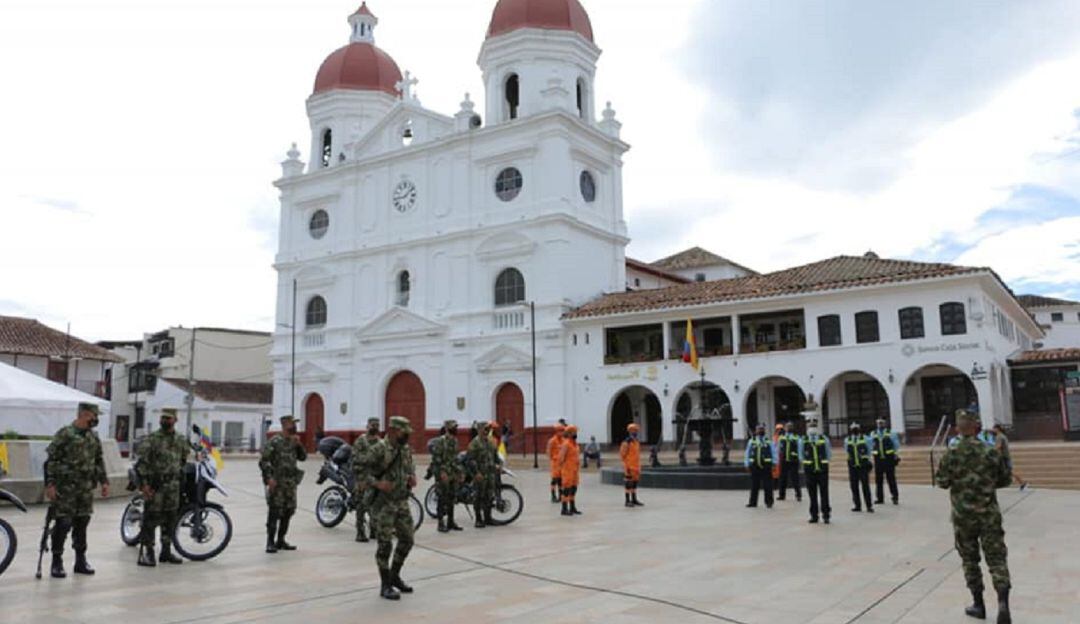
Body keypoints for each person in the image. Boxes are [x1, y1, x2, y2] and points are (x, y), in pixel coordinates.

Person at [936, 409, 1013, 623]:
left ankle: (978, 604)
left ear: (958, 428)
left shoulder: (951, 453)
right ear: (976, 427)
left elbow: (942, 482)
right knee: (997, 559)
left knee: (970, 560)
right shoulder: (990, 452)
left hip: (963, 517)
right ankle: (1003, 603)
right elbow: (1005, 480)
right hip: (989, 514)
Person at [44, 402, 110, 578]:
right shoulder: (65, 434)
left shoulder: (93, 437)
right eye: (94, 416)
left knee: (82, 523)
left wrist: (104, 481)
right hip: (65, 489)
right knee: (63, 523)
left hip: (85, 489)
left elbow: (98, 460)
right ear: (84, 414)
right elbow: (51, 460)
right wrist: (50, 484)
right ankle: (56, 561)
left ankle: (80, 560)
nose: (95, 420)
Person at [364, 416, 418, 601]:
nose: (408, 436)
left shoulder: (404, 449)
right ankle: (385, 585)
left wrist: (412, 477)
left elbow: (410, 467)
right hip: (383, 504)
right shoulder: (378, 449)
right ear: (394, 430)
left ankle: (394, 575)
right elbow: (361, 472)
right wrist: (378, 484)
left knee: (407, 539)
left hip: (401, 501)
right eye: (405, 432)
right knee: (385, 545)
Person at [135, 408, 190, 567]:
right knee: (151, 519)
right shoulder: (152, 439)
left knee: (170, 519)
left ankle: (166, 551)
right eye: (163, 418)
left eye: (169, 418)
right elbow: (141, 464)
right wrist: (144, 485)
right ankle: (149, 553)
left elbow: (183, 460)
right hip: (155, 486)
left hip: (173, 486)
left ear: (175, 420)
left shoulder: (180, 440)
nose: (165, 421)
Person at [259, 415, 306, 553]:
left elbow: (303, 458)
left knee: (288, 511)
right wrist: (269, 479)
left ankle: (281, 540)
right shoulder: (275, 441)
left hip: (290, 483)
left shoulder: (294, 441)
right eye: (293, 424)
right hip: (277, 483)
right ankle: (270, 542)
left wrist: (299, 445)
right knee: (274, 511)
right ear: (285, 425)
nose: (295, 426)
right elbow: (264, 461)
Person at [431, 419, 464, 533]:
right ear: (447, 428)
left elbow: (456, 458)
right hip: (443, 473)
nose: (456, 429)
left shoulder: (454, 441)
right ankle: (440, 522)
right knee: (442, 498)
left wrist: (460, 472)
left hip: (452, 473)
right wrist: (442, 473)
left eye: (456, 427)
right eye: (454, 427)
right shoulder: (440, 441)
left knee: (451, 497)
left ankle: (451, 521)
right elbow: (436, 459)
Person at [352, 417, 382, 542]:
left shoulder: (380, 442)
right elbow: (355, 458)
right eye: (372, 425)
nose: (374, 427)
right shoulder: (361, 441)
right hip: (362, 478)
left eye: (377, 425)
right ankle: (360, 532)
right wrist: (370, 459)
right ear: (367, 426)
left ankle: (374, 530)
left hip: (375, 478)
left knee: (374, 505)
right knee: (361, 505)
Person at [799, 420, 831, 524]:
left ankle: (826, 515)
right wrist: (807, 463)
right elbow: (801, 455)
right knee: (812, 494)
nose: (812, 428)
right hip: (810, 471)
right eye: (810, 426)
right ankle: (814, 515)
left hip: (822, 470)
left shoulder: (823, 439)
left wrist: (824, 463)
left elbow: (828, 453)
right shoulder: (803, 440)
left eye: (814, 426)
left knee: (824, 493)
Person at [467, 421, 498, 528]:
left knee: (489, 496)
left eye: (488, 429)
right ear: (479, 430)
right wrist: (476, 473)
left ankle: (488, 517)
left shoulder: (490, 442)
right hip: (480, 474)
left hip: (490, 474)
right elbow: (470, 460)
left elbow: (495, 455)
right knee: (478, 497)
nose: (487, 431)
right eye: (485, 429)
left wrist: (498, 465)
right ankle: (478, 519)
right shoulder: (474, 443)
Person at [744, 424, 776, 509]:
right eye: (759, 429)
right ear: (756, 431)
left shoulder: (769, 441)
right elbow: (747, 453)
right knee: (754, 485)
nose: (760, 431)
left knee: (768, 485)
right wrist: (747, 464)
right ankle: (753, 502)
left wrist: (775, 463)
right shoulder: (752, 441)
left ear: (764, 431)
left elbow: (774, 452)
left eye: (762, 429)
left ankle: (769, 502)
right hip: (754, 466)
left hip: (766, 466)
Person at [870, 418, 901, 505]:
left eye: (881, 423)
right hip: (878, 459)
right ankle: (880, 498)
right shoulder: (873, 433)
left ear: (885, 424)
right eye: (878, 423)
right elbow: (871, 445)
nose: (880, 425)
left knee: (891, 479)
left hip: (889, 459)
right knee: (878, 480)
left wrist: (895, 454)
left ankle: (895, 497)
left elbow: (896, 445)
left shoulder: (891, 433)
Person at [845, 423, 874, 513]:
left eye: (856, 428)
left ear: (859, 429)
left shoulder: (866, 439)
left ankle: (869, 506)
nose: (854, 430)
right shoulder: (847, 440)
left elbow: (869, 450)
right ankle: (857, 505)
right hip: (853, 466)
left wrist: (867, 460)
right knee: (854, 486)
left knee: (865, 486)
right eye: (853, 429)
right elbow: (847, 451)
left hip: (863, 466)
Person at [990, 424, 1027, 490]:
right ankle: (1022, 482)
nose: (992, 430)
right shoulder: (1002, 436)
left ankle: (1022, 482)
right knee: (1002, 471)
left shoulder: (999, 437)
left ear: (997, 429)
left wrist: (991, 451)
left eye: (993, 428)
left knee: (1009, 471)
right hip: (1004, 456)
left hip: (1003, 457)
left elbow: (998, 447)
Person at [558, 425, 582, 516]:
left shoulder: (575, 444)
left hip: (575, 470)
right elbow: (561, 458)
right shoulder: (566, 444)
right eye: (574, 432)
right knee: (566, 490)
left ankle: (572, 507)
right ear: (569, 433)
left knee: (573, 489)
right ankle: (564, 509)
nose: (575, 434)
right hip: (567, 470)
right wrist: (562, 469)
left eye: (576, 432)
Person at [619, 423, 644, 507]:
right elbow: (622, 455)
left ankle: (634, 499)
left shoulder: (636, 442)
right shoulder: (626, 442)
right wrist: (627, 466)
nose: (636, 432)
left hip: (636, 467)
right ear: (630, 431)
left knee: (634, 484)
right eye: (634, 430)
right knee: (628, 484)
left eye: (636, 430)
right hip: (629, 467)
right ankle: (627, 501)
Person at [777, 421, 802, 502]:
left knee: (795, 479)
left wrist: (800, 459)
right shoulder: (782, 437)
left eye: (790, 427)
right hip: (784, 460)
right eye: (788, 427)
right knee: (782, 478)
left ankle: (798, 495)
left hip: (793, 460)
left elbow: (799, 449)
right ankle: (782, 495)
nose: (789, 428)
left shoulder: (797, 437)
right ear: (785, 428)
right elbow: (778, 448)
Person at [547, 423, 566, 503]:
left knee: (560, 481)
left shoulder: (564, 441)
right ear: (556, 431)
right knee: (554, 480)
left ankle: (560, 495)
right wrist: (554, 458)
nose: (561, 433)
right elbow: (549, 452)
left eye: (562, 431)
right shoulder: (552, 441)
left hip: (562, 464)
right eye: (560, 431)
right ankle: (553, 495)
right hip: (555, 464)